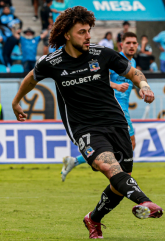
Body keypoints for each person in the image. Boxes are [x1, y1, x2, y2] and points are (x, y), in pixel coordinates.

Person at [11, 6, 163, 239]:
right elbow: (31, 79)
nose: (88, 36)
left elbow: (133, 73)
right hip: (85, 128)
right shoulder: (51, 62)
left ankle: (93, 219)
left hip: (116, 124)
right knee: (109, 167)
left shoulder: (102, 54)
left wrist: (145, 86)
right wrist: (16, 102)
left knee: (120, 182)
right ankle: (146, 202)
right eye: (82, 32)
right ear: (67, 35)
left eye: (89, 31)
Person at [61, 32, 139, 181]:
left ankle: (76, 161)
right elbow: (98, 78)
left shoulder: (132, 62)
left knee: (120, 144)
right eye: (128, 43)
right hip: (115, 107)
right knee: (130, 142)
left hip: (123, 107)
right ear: (121, 44)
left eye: (134, 43)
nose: (131, 46)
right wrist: (116, 86)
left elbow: (131, 80)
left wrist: (139, 89)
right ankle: (120, 176)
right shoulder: (114, 59)